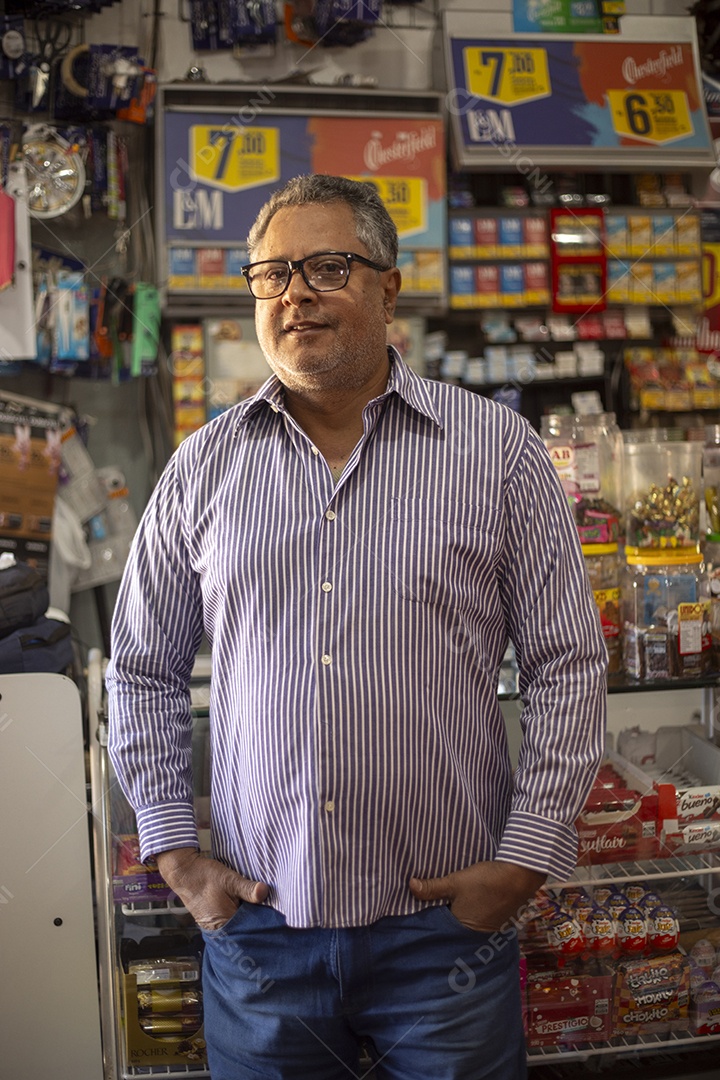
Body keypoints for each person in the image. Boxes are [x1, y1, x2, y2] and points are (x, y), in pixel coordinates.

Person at [106, 174, 607, 1079]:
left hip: (445, 935)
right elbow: (141, 668)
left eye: (326, 267)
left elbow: (567, 664)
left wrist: (524, 860)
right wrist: (177, 853)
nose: (294, 293)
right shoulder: (201, 469)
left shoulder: (496, 452)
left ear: (388, 287)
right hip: (263, 932)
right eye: (270, 273)